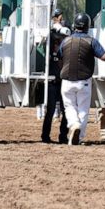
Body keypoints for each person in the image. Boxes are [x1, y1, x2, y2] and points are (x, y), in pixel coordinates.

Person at [59, 13, 105, 145]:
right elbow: (104, 57)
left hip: (66, 81)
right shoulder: (92, 41)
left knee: (69, 107)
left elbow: (59, 56)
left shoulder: (65, 41)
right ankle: (78, 137)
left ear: (74, 25)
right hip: (84, 81)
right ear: (88, 26)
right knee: (83, 110)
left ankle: (74, 124)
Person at [39, 9, 70, 143]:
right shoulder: (50, 36)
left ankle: (63, 136)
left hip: (64, 79)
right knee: (50, 110)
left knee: (66, 111)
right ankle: (45, 136)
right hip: (52, 79)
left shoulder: (67, 36)